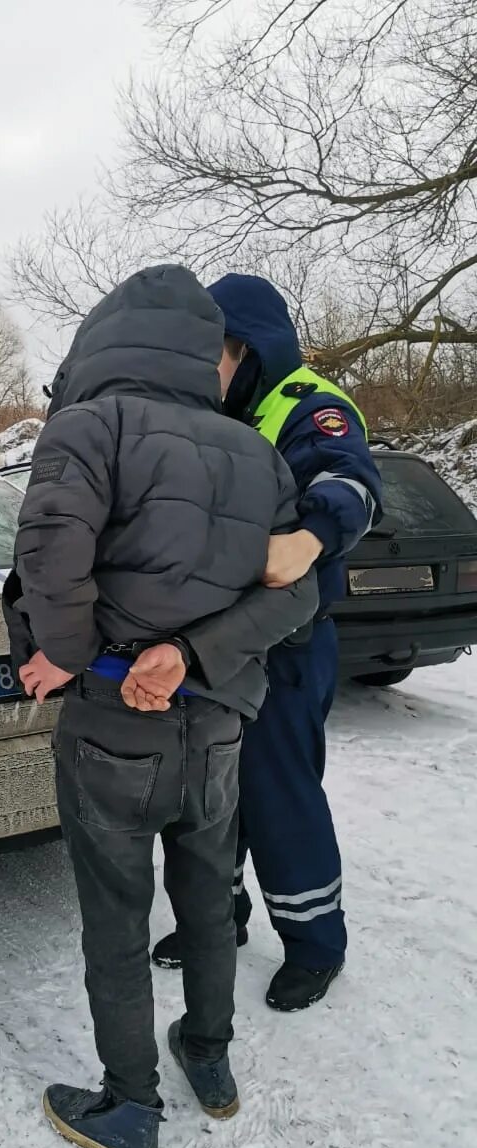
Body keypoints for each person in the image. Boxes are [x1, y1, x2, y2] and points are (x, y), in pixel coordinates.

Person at [4, 265, 319, 1148]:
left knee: (116, 914)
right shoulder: (253, 452)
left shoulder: (88, 426)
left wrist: (66, 653)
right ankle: (209, 1057)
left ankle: (131, 1107)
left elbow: (47, 552)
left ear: (102, 339)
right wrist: (195, 657)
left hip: (113, 721)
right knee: (207, 895)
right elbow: (297, 593)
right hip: (216, 723)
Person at [149, 274, 383, 1012]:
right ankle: (218, 918)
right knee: (208, 796)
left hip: (287, 638)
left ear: (246, 347)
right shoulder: (218, 412)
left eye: (209, 353)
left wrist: (313, 534)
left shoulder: (308, 405)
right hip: (217, 641)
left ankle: (316, 942)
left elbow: (352, 483)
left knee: (279, 794)